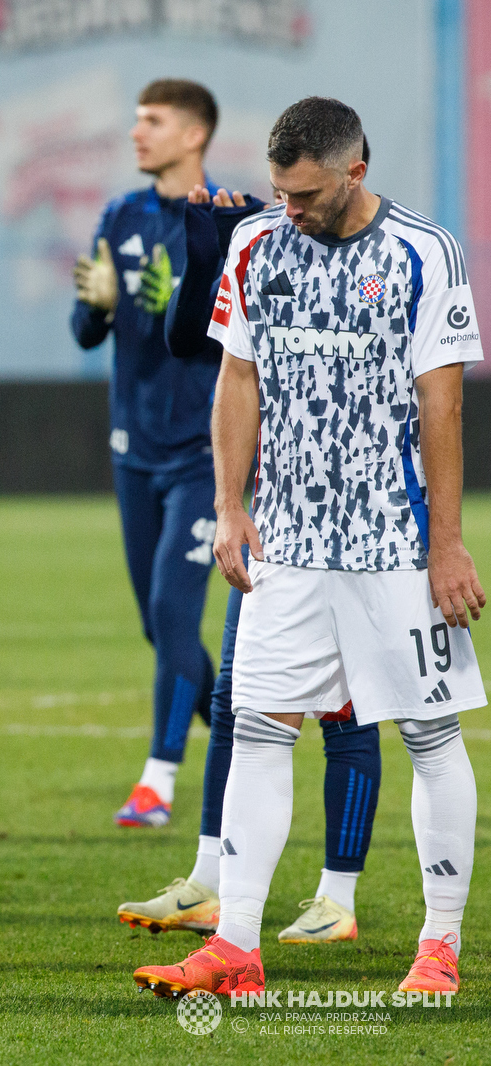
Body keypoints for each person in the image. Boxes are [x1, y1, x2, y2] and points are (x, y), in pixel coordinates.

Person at [136, 96, 483, 997]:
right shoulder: (255, 245)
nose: (287, 208)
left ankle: (438, 945)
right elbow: (238, 378)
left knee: (430, 735)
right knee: (257, 729)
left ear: (355, 173)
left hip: (394, 545)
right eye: (280, 191)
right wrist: (229, 503)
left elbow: (442, 406)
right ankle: (236, 948)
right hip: (287, 544)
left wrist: (447, 545)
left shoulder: (424, 252)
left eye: (306, 194)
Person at [117, 167, 384, 945]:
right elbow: (191, 346)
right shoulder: (258, 241)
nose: (141, 134)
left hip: (357, 525)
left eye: (156, 121)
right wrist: (207, 252)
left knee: (346, 706)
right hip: (273, 520)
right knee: (240, 697)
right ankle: (212, 879)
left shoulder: (385, 258)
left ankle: (338, 894)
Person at [71, 79, 224, 829]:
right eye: (135, 120)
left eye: (152, 122)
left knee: (171, 611)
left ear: (193, 135)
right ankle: (237, 727)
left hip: (204, 453)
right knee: (155, 625)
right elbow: (85, 331)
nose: (137, 134)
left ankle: (157, 783)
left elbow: (219, 339)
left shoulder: (226, 222)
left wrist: (178, 304)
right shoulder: (120, 215)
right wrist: (97, 300)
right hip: (133, 448)